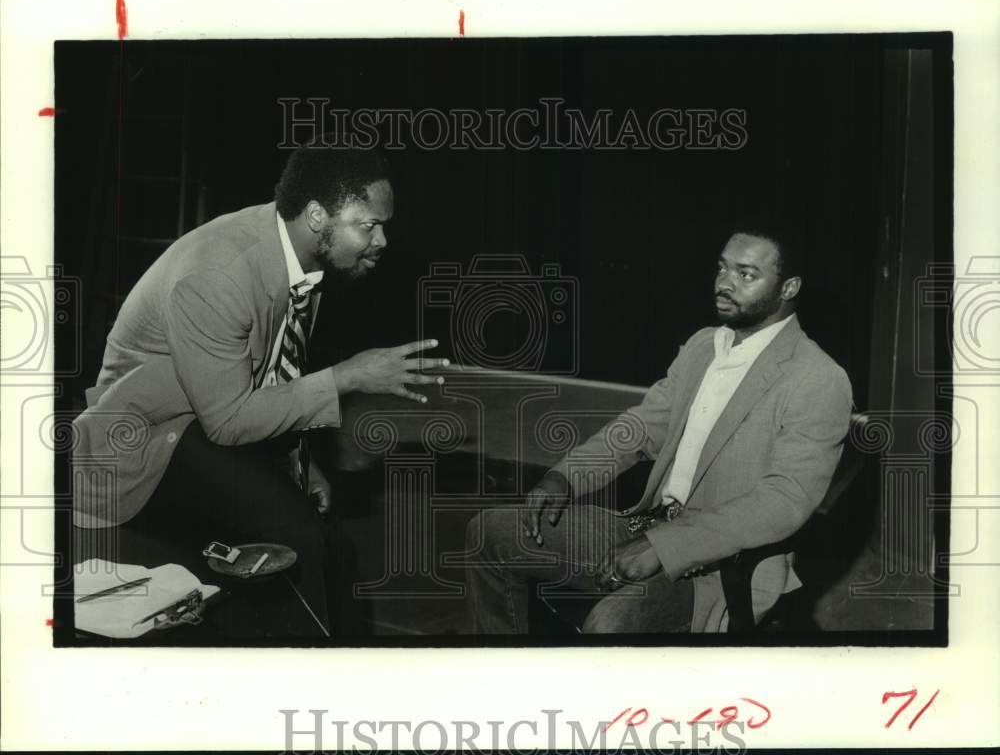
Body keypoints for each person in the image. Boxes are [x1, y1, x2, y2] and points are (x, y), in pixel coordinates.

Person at [71, 144, 450, 637]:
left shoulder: (297, 255)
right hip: (139, 442)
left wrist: (301, 461)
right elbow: (228, 422)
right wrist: (348, 376)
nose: (382, 240)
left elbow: (272, 372)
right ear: (317, 216)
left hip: (200, 422)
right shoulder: (218, 275)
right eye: (369, 225)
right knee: (299, 541)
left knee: (338, 549)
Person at [465, 225, 853, 634]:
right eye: (722, 268)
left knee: (609, 626)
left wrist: (666, 547)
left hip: (723, 565)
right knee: (489, 535)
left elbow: (784, 501)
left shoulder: (818, 378)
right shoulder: (705, 345)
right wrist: (565, 478)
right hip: (647, 524)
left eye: (746, 274)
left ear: (789, 288)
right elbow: (642, 427)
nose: (724, 283)